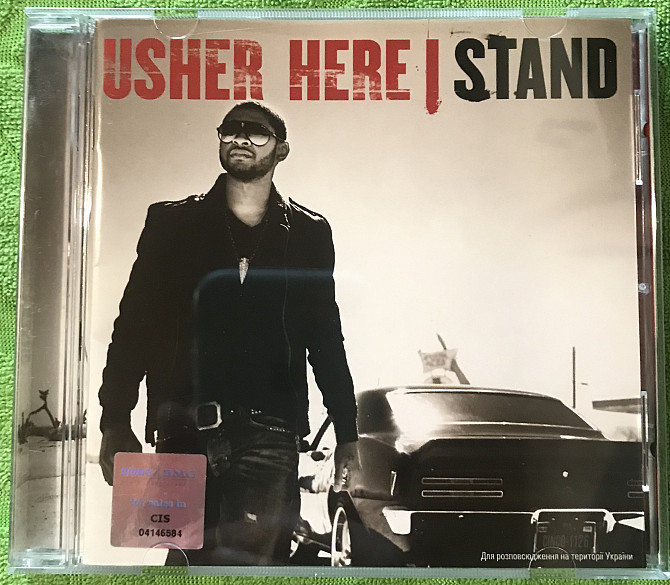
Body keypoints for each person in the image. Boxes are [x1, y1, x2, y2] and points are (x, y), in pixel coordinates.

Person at [98, 101, 359, 565]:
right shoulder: (172, 223)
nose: (240, 138)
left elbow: (325, 336)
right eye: (231, 129)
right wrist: (115, 419)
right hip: (181, 431)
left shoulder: (308, 233)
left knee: (257, 568)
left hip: (270, 432)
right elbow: (134, 325)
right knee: (184, 564)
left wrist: (347, 431)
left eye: (256, 132)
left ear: (281, 151)